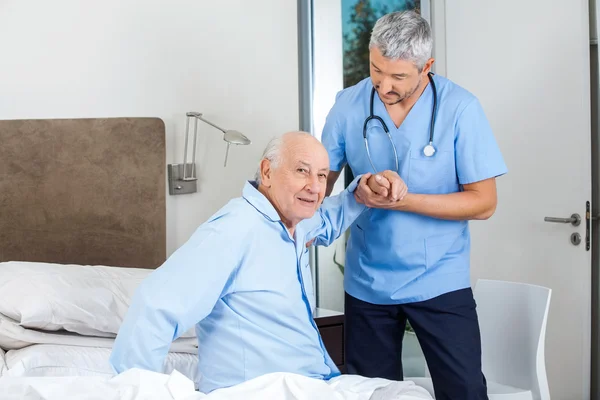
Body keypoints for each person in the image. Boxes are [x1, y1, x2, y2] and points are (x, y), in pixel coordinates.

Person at [109, 131, 406, 393]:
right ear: (267, 172)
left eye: (321, 175)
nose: (315, 187)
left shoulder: (294, 221)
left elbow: (325, 218)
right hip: (260, 391)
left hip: (312, 384)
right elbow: (157, 304)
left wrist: (361, 194)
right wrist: (134, 389)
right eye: (302, 171)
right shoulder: (233, 230)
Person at [320, 10, 507, 400]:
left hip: (440, 278)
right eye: (376, 69)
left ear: (427, 67)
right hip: (368, 281)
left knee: (465, 391)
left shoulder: (461, 109)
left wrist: (401, 201)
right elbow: (320, 186)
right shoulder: (348, 106)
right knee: (371, 394)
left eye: (398, 76)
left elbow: (484, 202)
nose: (383, 85)